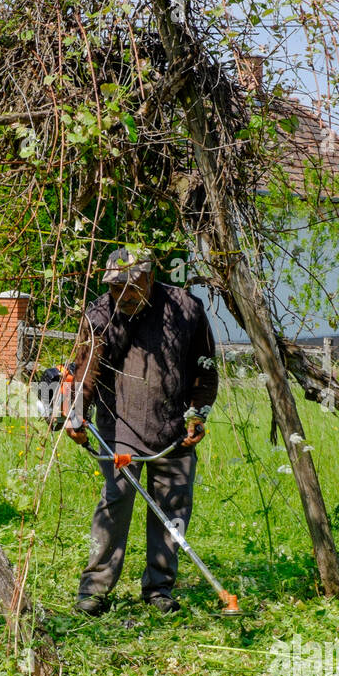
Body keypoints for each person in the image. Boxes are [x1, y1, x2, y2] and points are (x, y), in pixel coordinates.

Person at [66, 247, 219, 616]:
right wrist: (76, 415)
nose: (124, 295)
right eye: (117, 288)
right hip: (120, 428)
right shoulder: (100, 314)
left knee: (173, 508)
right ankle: (95, 590)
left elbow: (206, 367)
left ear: (151, 278)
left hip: (174, 428)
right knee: (115, 502)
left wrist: (197, 414)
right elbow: (86, 370)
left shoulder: (186, 309)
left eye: (132, 286)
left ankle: (159, 588)